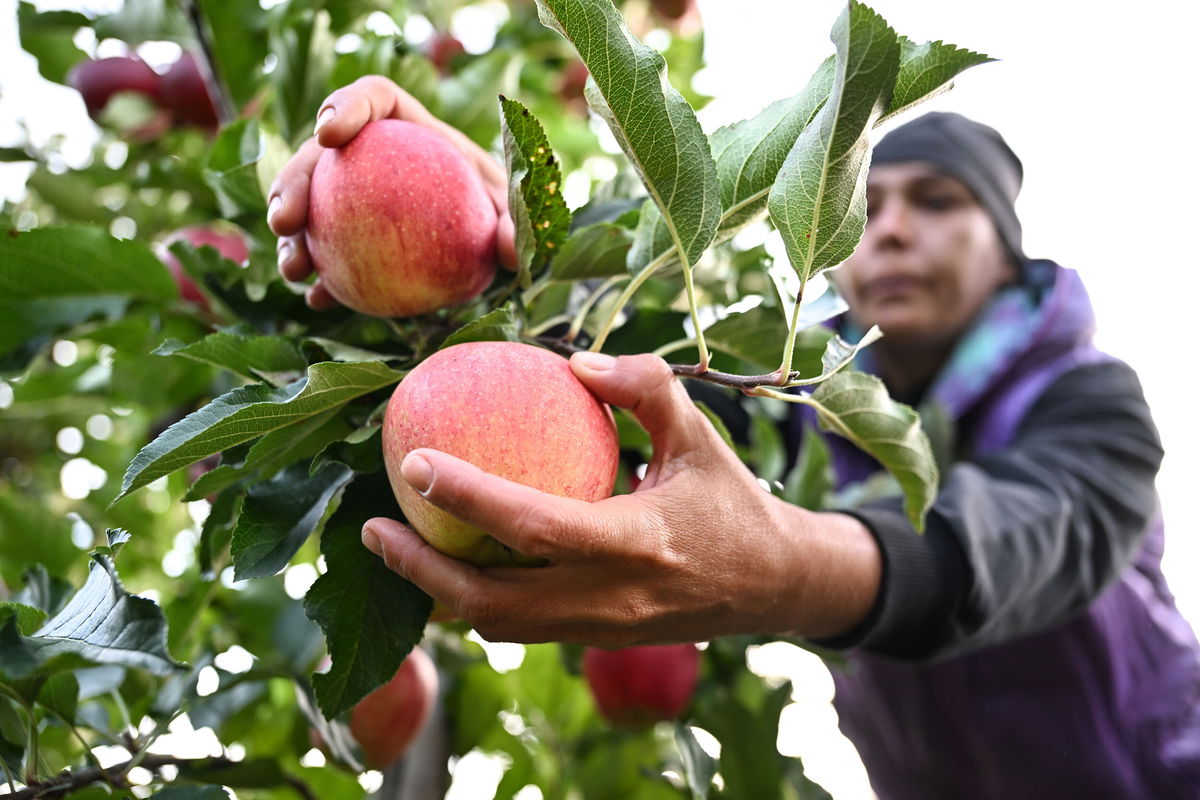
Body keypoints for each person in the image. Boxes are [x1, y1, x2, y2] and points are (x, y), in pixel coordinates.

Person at [268, 76, 1200, 798]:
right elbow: (612, 380)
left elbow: (1009, 548)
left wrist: (784, 570)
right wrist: (479, 235)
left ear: (1005, 242)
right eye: (867, 209)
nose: (896, 230)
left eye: (940, 201)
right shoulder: (794, 405)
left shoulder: (1086, 399)